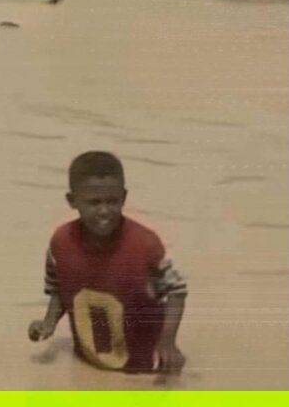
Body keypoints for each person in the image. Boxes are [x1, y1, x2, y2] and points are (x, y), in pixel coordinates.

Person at [28, 151, 188, 375]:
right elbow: (59, 289)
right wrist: (48, 323)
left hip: (143, 370)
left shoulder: (145, 245)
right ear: (72, 201)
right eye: (94, 202)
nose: (104, 211)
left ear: (123, 197)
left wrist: (168, 342)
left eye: (112, 201)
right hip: (88, 364)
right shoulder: (61, 242)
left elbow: (177, 290)